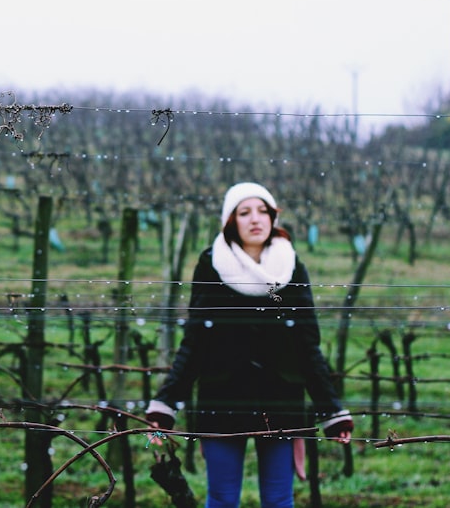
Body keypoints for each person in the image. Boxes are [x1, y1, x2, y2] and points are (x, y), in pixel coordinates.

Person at [146, 182, 353, 508]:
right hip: (221, 400)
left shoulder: (292, 266)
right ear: (231, 221)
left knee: (279, 500)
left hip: (282, 402)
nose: (255, 219)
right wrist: (166, 404)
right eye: (244, 212)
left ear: (273, 218)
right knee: (223, 500)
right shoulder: (211, 266)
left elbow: (307, 344)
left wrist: (332, 411)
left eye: (263, 211)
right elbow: (195, 340)